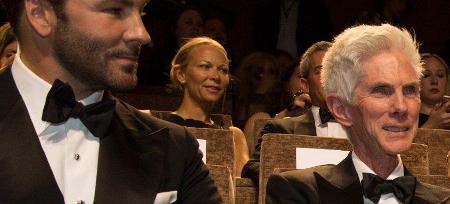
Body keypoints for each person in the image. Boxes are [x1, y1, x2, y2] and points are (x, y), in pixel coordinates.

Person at [0, 0, 221, 203]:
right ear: (40, 13)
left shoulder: (173, 148)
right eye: (115, 10)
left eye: (140, 13)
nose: (142, 34)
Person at [266, 24, 450, 203]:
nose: (401, 107)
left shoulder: (443, 199)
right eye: (381, 91)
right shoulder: (299, 192)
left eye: (410, 90)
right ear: (341, 109)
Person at [241, 41, 348, 183]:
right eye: (320, 71)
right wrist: (298, 175)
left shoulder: (366, 129)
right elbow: (251, 168)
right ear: (305, 84)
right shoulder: (281, 129)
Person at [161, 36, 249, 176]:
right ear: (181, 74)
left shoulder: (234, 136)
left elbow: (242, 192)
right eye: (205, 66)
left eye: (223, 70)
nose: (216, 76)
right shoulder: (159, 127)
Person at [419, 53, 450, 129]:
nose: (435, 81)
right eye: (426, 75)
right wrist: (431, 125)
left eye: (440, 75)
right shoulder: (405, 116)